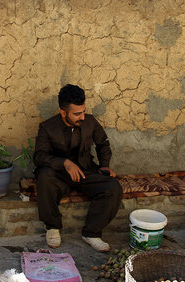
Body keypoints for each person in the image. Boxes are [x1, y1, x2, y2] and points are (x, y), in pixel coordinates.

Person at [33, 84, 123, 252]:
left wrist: (104, 165)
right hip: (58, 176)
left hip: (85, 173)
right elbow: (39, 157)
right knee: (44, 176)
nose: (82, 116)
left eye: (83, 111)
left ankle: (92, 233)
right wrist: (65, 163)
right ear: (63, 112)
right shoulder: (47, 127)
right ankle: (52, 226)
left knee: (113, 187)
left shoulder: (89, 121)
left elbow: (103, 144)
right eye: (76, 114)